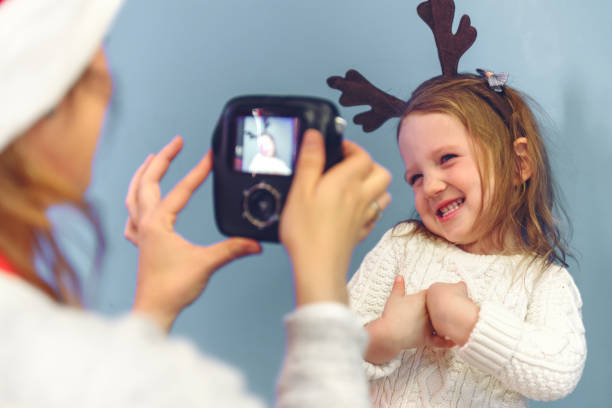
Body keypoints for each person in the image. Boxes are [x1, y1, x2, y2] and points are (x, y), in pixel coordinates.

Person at [0, 0, 392, 406]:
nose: (107, 80)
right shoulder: (79, 368)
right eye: (94, 58)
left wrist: (153, 308)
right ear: (47, 104)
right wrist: (323, 288)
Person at [347, 75, 587, 407]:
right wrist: (387, 335)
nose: (430, 186)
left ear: (519, 164)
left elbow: (558, 373)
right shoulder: (402, 245)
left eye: (447, 159)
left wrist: (463, 320)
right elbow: (326, 347)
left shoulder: (545, 282)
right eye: (415, 177)